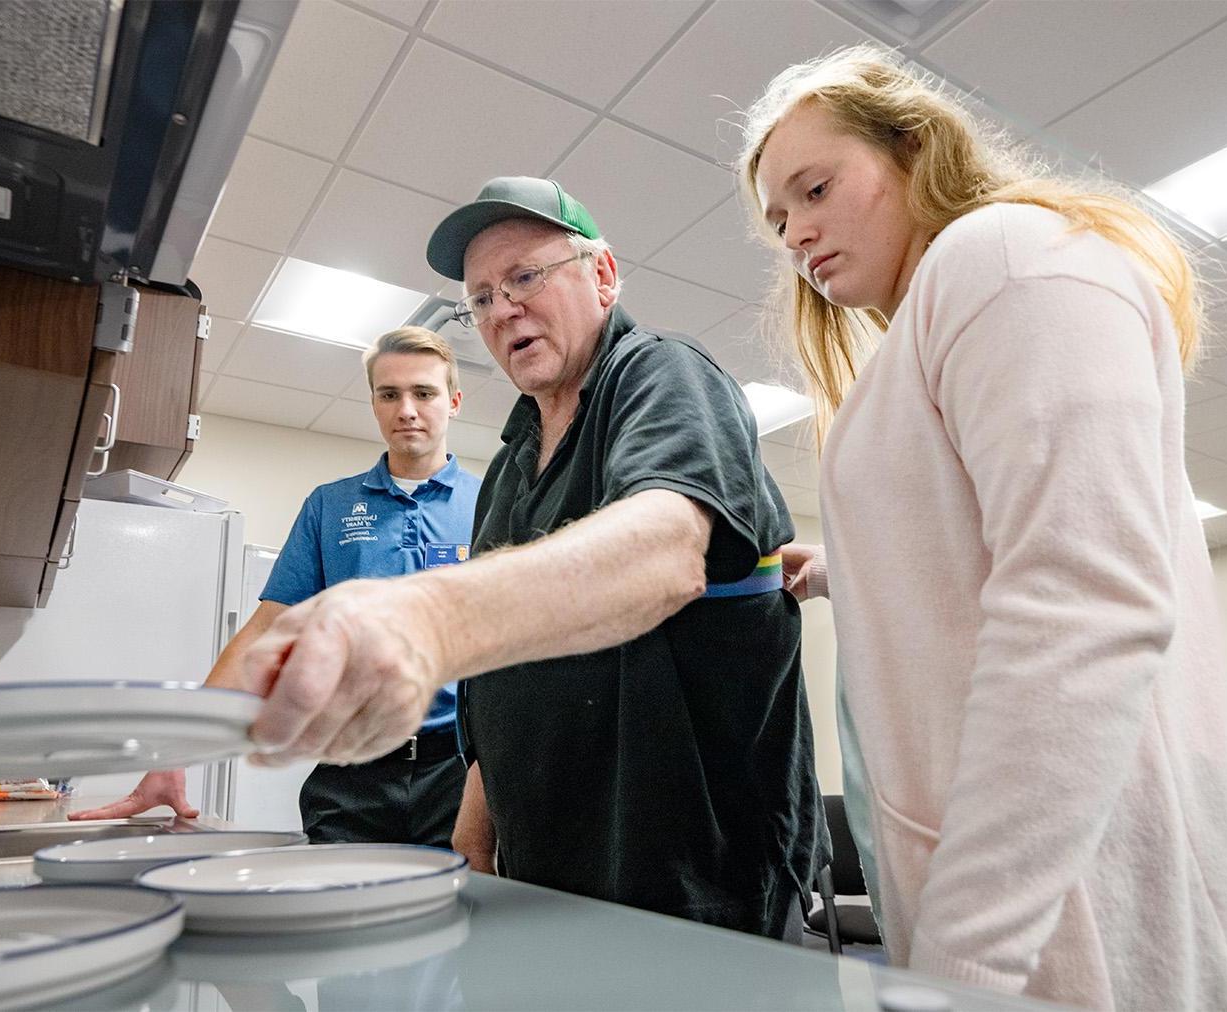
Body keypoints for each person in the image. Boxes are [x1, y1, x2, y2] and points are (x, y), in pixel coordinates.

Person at [735, 45, 1227, 1009]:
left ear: (913, 150)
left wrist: (962, 964)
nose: (798, 233)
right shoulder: (932, 318)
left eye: (815, 188)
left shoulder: (1004, 256)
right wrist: (844, 566)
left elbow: (1081, 602)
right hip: (1024, 902)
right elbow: (972, 544)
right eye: (779, 221)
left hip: (1079, 902)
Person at [238, 176, 826, 940]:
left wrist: (426, 616)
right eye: (479, 298)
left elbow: (665, 549)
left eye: (524, 277)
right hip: (545, 862)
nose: (502, 309)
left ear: (603, 276)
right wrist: (475, 828)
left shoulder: (660, 375)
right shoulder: (512, 462)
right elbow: (498, 680)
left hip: (686, 869)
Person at [71, 327, 479, 849]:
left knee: (458, 920)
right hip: (349, 772)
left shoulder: (489, 501)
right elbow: (265, 630)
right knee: (337, 919)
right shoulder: (330, 505)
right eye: (389, 394)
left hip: (457, 773)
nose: (407, 409)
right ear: (373, 403)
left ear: (454, 402)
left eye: (424, 393)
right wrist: (177, 751)